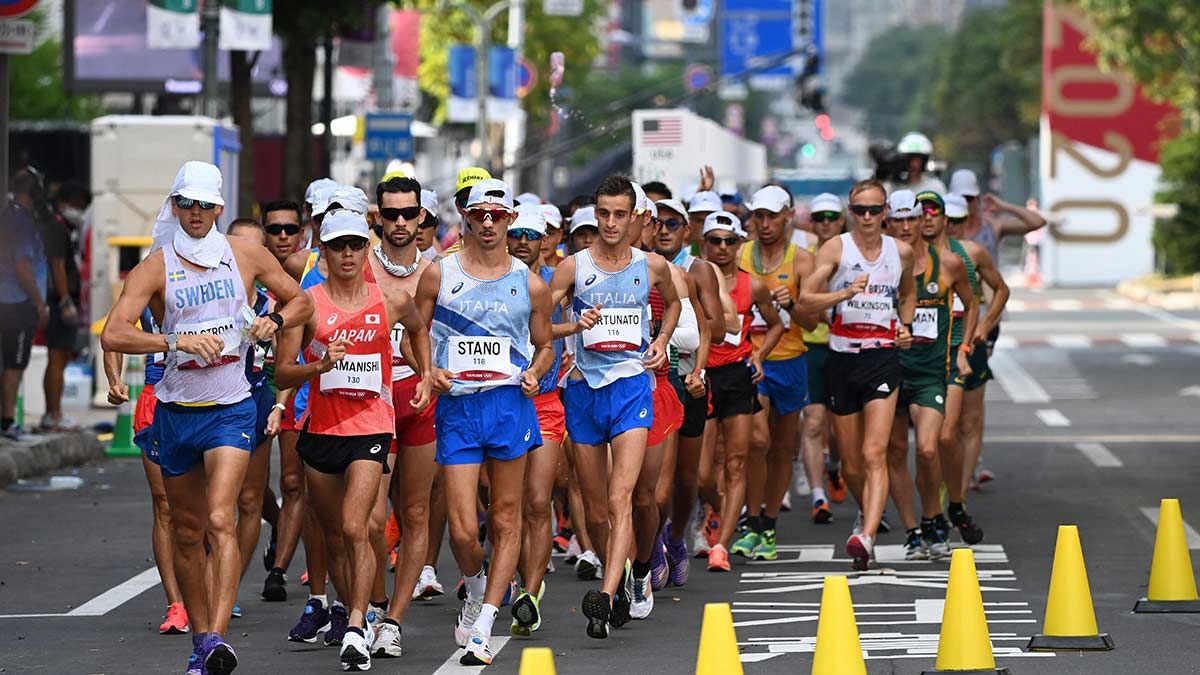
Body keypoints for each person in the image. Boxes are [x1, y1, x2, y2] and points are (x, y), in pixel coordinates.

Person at [101, 161, 312, 675]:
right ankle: (200, 637)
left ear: (219, 208)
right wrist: (174, 340)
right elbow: (113, 333)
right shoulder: (156, 265)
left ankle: (217, 639)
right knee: (189, 532)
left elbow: (302, 299)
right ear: (175, 207)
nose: (195, 213)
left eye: (204, 205)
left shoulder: (245, 254)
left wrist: (273, 320)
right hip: (177, 409)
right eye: (186, 204)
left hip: (232, 406)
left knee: (223, 517)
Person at [275, 207, 431, 672]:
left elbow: (419, 333)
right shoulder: (306, 304)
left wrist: (424, 376)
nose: (347, 253)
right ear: (323, 252)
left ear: (367, 248)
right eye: (337, 246)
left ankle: (360, 624)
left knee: (356, 526)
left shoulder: (392, 300)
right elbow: (281, 371)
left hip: (372, 426)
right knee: (334, 537)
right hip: (321, 430)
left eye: (355, 245)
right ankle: (352, 610)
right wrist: (316, 368)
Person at [414, 178, 555, 666]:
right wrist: (427, 369)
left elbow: (545, 346)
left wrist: (536, 373)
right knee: (462, 529)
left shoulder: (530, 282)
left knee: (506, 515)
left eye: (498, 215)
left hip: (508, 405)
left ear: (511, 219)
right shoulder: (438, 273)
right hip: (458, 407)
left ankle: (487, 622)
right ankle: (476, 587)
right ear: (466, 218)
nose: (489, 223)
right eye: (480, 215)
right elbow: (416, 330)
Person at [550, 175, 680, 639]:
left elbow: (675, 304)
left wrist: (662, 340)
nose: (609, 222)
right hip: (584, 391)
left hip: (631, 388)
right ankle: (620, 577)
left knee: (620, 497)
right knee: (598, 510)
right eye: (602, 213)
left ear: (635, 217)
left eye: (618, 214)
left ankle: (604, 597)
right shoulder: (572, 268)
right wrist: (572, 326)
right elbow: (535, 324)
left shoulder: (652, 266)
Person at [799, 178, 916, 571]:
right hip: (841, 358)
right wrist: (843, 294)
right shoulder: (837, 248)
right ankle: (868, 512)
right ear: (852, 212)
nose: (867, 217)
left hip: (882, 358)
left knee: (874, 452)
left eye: (875, 210)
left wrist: (905, 324)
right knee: (850, 462)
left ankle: (866, 534)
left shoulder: (901, 251)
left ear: (886, 212)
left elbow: (909, 292)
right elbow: (806, 300)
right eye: (860, 210)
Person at [365, 175, 443, 659]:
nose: (399, 223)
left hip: (421, 402)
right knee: (371, 521)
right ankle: (373, 603)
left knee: (414, 513)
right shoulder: (355, 264)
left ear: (421, 218)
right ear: (377, 218)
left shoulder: (439, 272)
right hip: (369, 403)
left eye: (407, 214)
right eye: (389, 214)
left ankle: (393, 619)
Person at [884, 191, 976, 560]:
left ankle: (933, 515)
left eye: (912, 219)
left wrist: (964, 347)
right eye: (899, 220)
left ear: (922, 221)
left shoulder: (949, 264)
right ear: (888, 222)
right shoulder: (879, 266)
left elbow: (972, 304)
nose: (906, 227)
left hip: (929, 372)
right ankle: (912, 530)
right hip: (888, 370)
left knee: (927, 447)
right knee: (894, 451)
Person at [734, 185, 819, 562]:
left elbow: (814, 321)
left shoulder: (803, 261)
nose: (764, 224)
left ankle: (768, 524)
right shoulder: (739, 255)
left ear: (788, 216)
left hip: (792, 359)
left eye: (772, 216)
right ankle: (751, 521)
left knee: (784, 446)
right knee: (757, 440)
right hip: (751, 360)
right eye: (758, 217)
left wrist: (795, 303)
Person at [698, 211, 784, 572]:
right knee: (701, 474)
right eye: (714, 241)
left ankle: (722, 544)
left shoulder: (755, 286)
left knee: (736, 461)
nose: (721, 248)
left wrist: (759, 355)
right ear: (704, 243)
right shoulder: (694, 279)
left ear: (739, 244)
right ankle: (716, 508)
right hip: (702, 375)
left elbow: (777, 324)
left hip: (736, 375)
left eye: (729, 241)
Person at [650, 197, 726, 585]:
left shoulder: (695, 270)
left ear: (686, 230)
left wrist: (694, 362)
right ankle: (649, 548)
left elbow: (714, 327)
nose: (663, 229)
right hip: (653, 385)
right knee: (656, 486)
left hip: (690, 381)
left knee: (688, 480)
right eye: (657, 222)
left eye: (672, 223)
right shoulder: (637, 266)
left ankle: (676, 537)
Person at [103, 313, 189, 635]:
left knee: (207, 510)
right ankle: (176, 603)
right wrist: (114, 379)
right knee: (164, 504)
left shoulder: (216, 270)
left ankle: (210, 587)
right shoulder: (149, 275)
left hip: (207, 400)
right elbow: (113, 333)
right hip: (156, 397)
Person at [504, 203, 566, 636]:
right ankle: (497, 577)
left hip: (544, 402)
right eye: (517, 234)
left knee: (538, 501)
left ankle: (529, 592)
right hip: (499, 403)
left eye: (532, 235)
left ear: (545, 240)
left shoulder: (559, 282)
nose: (523, 242)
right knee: (502, 506)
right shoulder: (488, 279)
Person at [938, 191, 1010, 544]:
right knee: (940, 430)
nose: (949, 226)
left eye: (955, 221)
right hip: (934, 347)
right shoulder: (919, 254)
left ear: (964, 221)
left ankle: (958, 496)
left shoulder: (974, 252)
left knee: (969, 423)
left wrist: (984, 326)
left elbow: (1000, 290)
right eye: (943, 220)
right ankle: (943, 492)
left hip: (969, 344)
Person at [796, 193, 847, 519]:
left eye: (832, 216)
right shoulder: (805, 258)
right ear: (812, 223)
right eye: (820, 218)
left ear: (842, 220)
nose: (826, 222)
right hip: (810, 345)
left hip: (849, 347)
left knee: (842, 431)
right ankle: (818, 497)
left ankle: (835, 464)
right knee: (814, 423)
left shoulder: (858, 252)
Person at [0, 169, 48, 440]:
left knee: (10, 364)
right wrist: (40, 303)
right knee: (14, 365)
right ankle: (8, 421)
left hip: (11, 301)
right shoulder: (21, 221)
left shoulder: (11, 216)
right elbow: (23, 265)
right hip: (17, 303)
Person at [40, 177, 86, 431]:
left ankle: (53, 413)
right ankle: (53, 414)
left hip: (61, 301)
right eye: (75, 204)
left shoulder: (64, 229)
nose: (77, 210)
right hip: (59, 302)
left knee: (61, 357)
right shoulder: (56, 229)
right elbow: (57, 266)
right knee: (57, 357)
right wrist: (66, 300)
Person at [416, 189, 442, 261]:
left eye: (426, 222)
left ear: (436, 225)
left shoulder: (445, 267)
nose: (419, 230)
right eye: (414, 222)